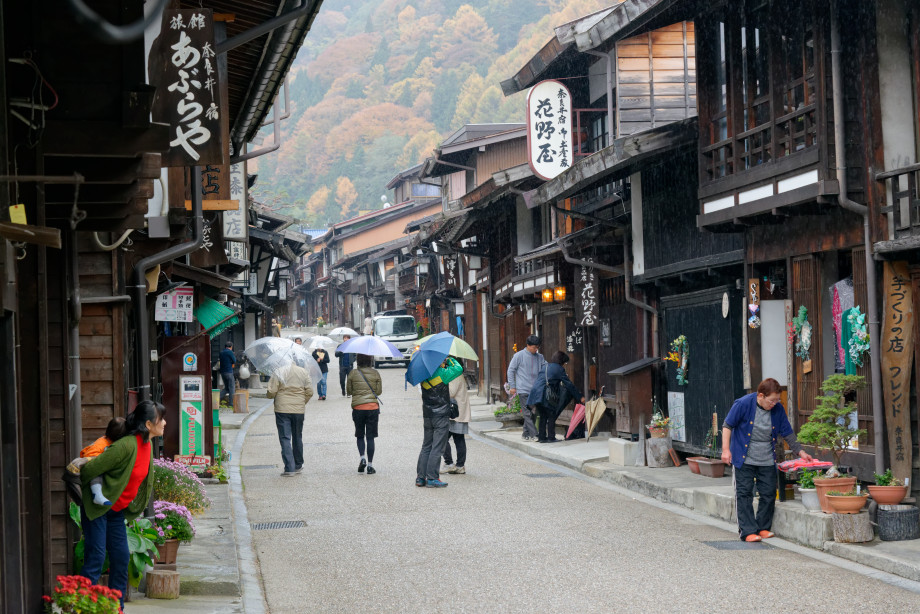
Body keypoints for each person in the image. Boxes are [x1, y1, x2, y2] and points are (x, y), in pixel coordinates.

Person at [80, 401, 165, 610]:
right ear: (148, 424)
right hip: (99, 508)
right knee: (97, 557)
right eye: (160, 418)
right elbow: (89, 470)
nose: (164, 422)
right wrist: (99, 490)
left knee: (120, 557)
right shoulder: (126, 445)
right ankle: (81, 606)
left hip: (115, 512)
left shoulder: (147, 445)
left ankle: (116, 608)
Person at [722, 378, 813, 542]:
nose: (775, 403)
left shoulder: (778, 409)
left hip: (766, 458)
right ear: (760, 396)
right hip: (744, 458)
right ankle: (748, 530)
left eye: (777, 400)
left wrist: (801, 452)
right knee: (744, 494)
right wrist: (726, 450)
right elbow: (727, 425)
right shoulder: (743, 404)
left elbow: (787, 432)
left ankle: (763, 527)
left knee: (769, 493)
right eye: (772, 400)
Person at [417, 357, 463, 488]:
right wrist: (449, 360)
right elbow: (459, 369)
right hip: (441, 415)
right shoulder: (442, 374)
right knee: (437, 447)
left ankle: (420, 478)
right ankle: (432, 478)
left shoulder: (423, 375)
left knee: (426, 446)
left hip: (428, 414)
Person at [267, 360, 314, 476]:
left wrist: (269, 395)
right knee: (297, 435)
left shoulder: (278, 372)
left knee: (285, 437)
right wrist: (302, 402)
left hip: (282, 409)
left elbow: (271, 391)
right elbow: (310, 391)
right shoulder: (303, 372)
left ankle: (289, 468)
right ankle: (298, 464)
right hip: (298, 409)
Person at [529, 351, 585, 443]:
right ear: (561, 361)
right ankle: (551, 437)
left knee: (543, 415)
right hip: (545, 395)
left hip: (536, 393)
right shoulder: (559, 369)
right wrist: (579, 397)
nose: (564, 365)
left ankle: (542, 437)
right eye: (565, 363)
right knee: (551, 414)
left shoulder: (545, 367)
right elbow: (569, 384)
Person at [71, 417, 128, 506]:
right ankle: (97, 494)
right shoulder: (101, 444)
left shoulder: (108, 441)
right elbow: (88, 456)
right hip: (89, 465)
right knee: (97, 470)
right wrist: (101, 459)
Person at [346, 354, 382, 474]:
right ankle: (370, 466)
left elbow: (349, 391)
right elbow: (379, 391)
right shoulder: (375, 373)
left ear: (358, 361)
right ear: (370, 360)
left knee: (360, 435)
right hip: (372, 407)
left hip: (358, 407)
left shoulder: (352, 373)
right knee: (370, 437)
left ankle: (362, 458)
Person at [506, 335, 546, 442]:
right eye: (534, 347)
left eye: (537, 347)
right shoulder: (519, 356)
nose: (536, 349)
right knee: (527, 413)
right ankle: (534, 434)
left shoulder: (540, 357)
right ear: (528, 345)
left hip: (536, 390)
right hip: (523, 389)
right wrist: (512, 386)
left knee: (533, 412)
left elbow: (546, 368)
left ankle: (525, 433)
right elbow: (511, 370)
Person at [441, 366, 471, 474]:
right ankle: (459, 466)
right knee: (458, 439)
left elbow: (450, 392)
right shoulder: (456, 373)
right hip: (456, 410)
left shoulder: (455, 374)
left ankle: (451, 464)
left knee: (443, 438)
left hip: (455, 411)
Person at [219, 342, 236, 411]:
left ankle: (216, 399)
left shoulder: (221, 352)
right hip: (229, 372)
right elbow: (234, 361)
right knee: (232, 388)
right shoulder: (230, 352)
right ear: (231, 346)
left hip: (223, 372)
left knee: (226, 388)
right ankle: (231, 404)